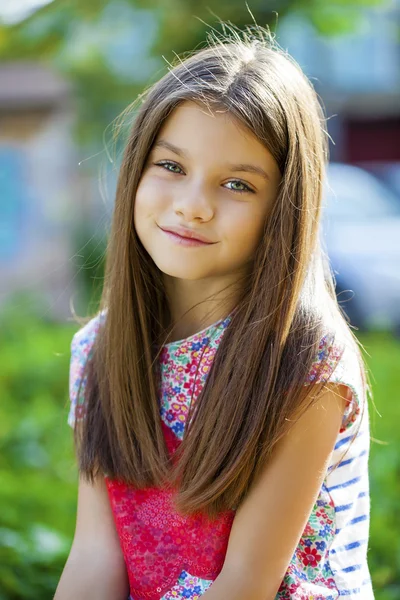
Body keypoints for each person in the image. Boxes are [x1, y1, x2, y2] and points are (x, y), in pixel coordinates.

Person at [55, 24, 374, 600]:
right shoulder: (99, 353)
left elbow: (247, 585)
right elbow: (95, 558)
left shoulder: (304, 359)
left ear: (284, 207)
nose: (193, 206)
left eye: (236, 184)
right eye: (171, 167)